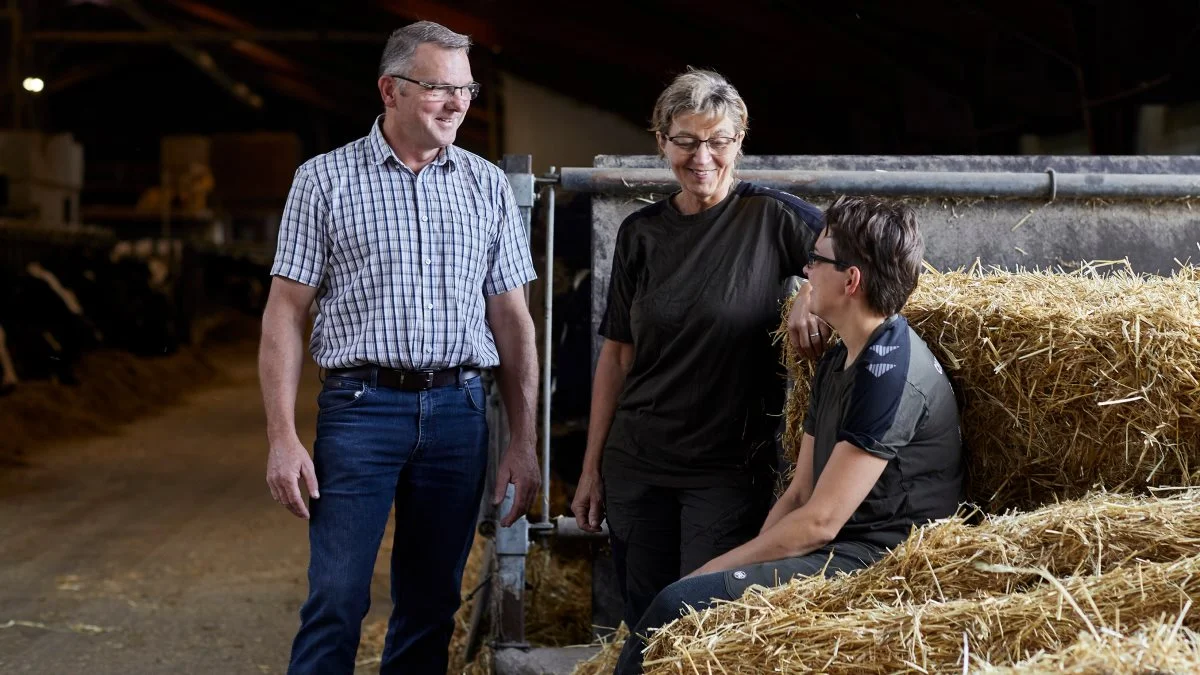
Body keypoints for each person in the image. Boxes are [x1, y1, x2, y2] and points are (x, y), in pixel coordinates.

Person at [259, 21, 540, 675]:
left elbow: (513, 322)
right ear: (390, 89)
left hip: (460, 411)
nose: (457, 103)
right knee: (336, 596)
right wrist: (281, 434)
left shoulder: (486, 185)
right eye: (438, 87)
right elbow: (284, 311)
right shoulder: (323, 180)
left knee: (430, 601)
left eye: (465, 89)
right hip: (360, 408)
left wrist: (523, 441)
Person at [612, 195, 966, 673]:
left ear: (852, 279)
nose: (805, 269)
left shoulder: (889, 373)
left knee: (676, 605)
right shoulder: (840, 358)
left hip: (877, 562)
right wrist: (749, 568)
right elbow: (800, 492)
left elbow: (820, 523)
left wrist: (712, 573)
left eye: (817, 260)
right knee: (678, 603)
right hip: (834, 547)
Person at [570, 68, 827, 633]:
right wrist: (591, 469)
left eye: (717, 140)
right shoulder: (640, 233)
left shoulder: (772, 216)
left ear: (740, 139)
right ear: (661, 141)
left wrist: (811, 290)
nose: (701, 156)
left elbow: (859, 253)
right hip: (637, 462)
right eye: (685, 140)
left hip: (726, 468)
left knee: (701, 623)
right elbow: (616, 356)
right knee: (644, 622)